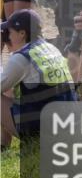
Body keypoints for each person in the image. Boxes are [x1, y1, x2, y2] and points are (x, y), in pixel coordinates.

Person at [1, 9, 77, 149]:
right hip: (68, 125)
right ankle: (3, 145)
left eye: (10, 32)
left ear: (22, 34)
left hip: (42, 132)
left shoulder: (21, 58)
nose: (8, 37)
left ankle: (4, 146)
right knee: (9, 89)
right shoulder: (51, 48)